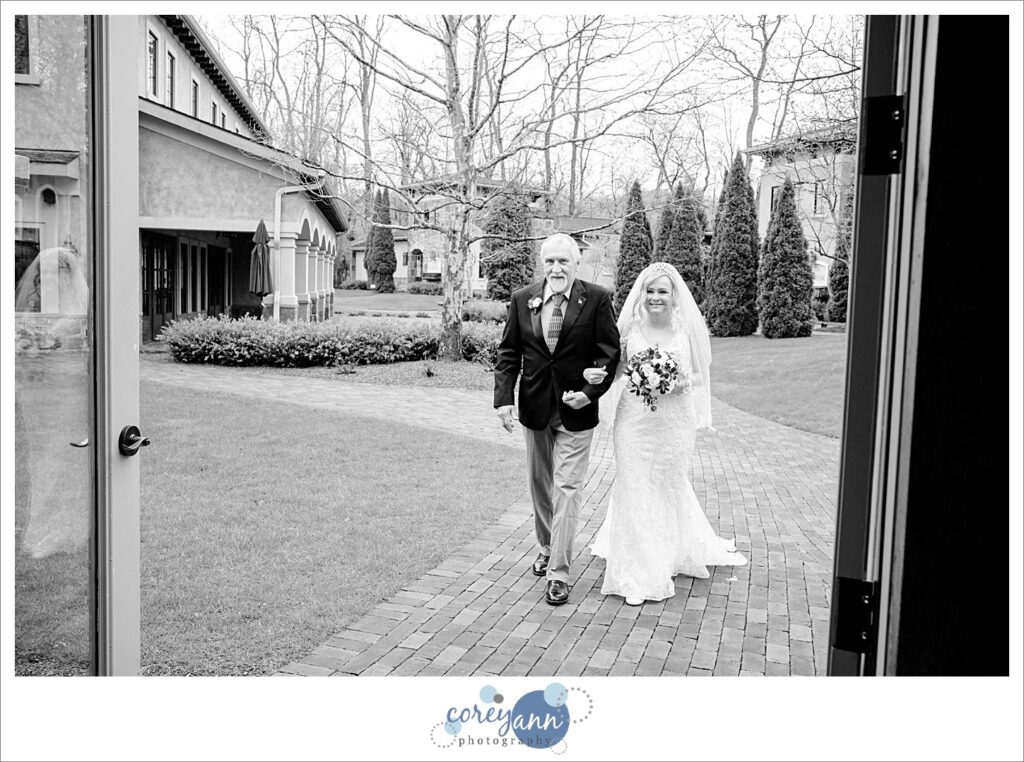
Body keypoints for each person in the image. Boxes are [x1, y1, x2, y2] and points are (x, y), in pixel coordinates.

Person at [588, 261, 746, 605]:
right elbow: (616, 372)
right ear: (641, 295)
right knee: (634, 486)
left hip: (674, 424)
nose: (655, 297)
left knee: (664, 486)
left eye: (663, 291)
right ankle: (639, 573)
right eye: (650, 290)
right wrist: (596, 380)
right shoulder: (629, 330)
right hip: (633, 422)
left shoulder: (685, 332)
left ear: (675, 297)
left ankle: (667, 552)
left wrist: (672, 380)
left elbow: (698, 376)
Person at [494, 233, 620, 606]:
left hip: (577, 410)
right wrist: (504, 401)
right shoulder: (523, 299)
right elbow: (508, 352)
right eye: (550, 261)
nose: (556, 268)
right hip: (534, 408)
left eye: (563, 261)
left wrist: (590, 389)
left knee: (567, 488)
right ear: (542, 264)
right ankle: (547, 546)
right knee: (539, 486)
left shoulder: (596, 299)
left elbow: (608, 353)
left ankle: (559, 572)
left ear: (576, 263)